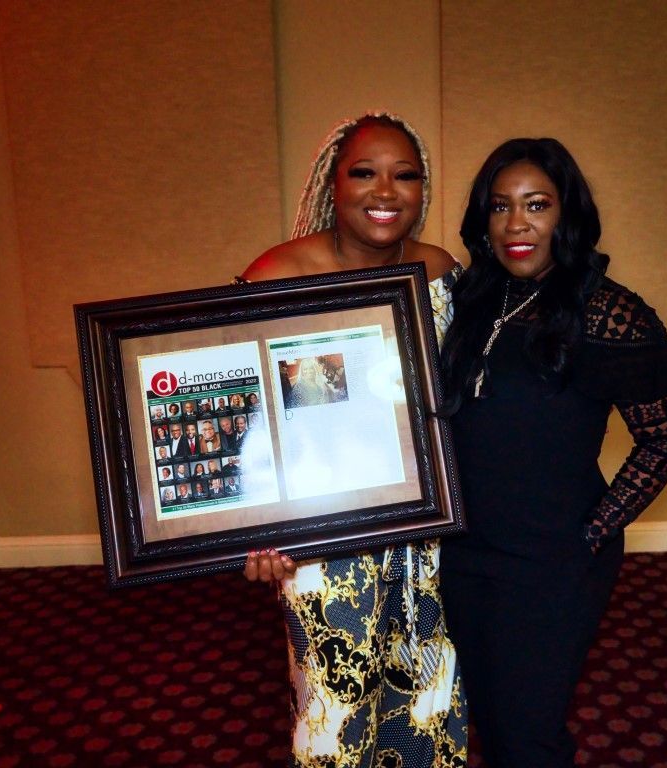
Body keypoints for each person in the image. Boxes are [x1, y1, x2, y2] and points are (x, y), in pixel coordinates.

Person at [438, 138, 667, 768]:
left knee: (529, 735)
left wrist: (592, 532)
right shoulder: (468, 301)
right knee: (488, 721)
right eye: (500, 207)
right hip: (463, 552)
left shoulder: (610, 314)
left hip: (552, 563)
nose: (516, 224)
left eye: (536, 205)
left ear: (566, 215)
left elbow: (666, 438)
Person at [238, 112, 468, 767]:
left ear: (423, 189)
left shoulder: (440, 271)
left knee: (428, 698)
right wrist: (255, 527)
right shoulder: (277, 275)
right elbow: (251, 424)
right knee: (337, 714)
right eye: (364, 172)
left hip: (428, 532)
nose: (385, 191)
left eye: (405, 175)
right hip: (322, 535)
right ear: (331, 184)